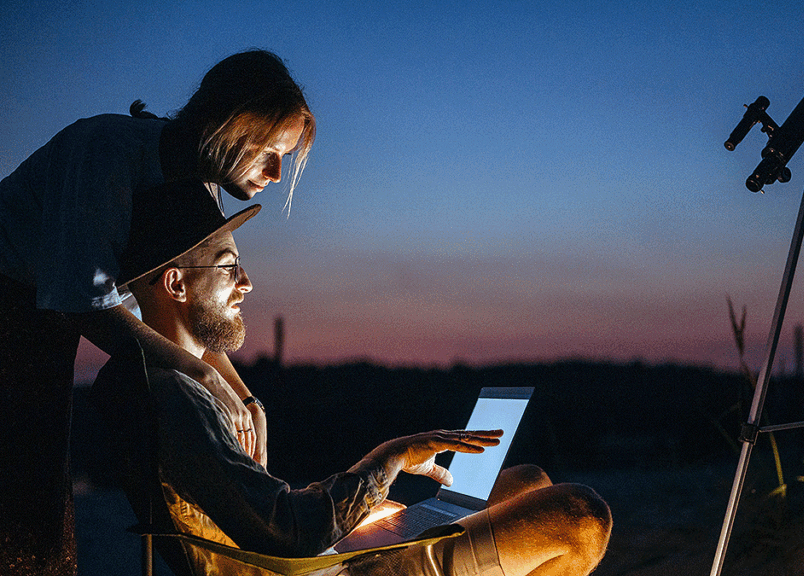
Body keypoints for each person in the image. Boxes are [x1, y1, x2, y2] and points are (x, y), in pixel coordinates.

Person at [91, 179, 612, 576]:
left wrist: (357, 517)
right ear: (176, 284)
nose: (246, 283)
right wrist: (388, 460)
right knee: (579, 513)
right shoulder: (177, 397)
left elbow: (256, 511)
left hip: (317, 555)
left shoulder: (179, 380)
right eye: (229, 268)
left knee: (531, 480)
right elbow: (287, 533)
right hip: (313, 569)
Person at [0, 49, 314, 575]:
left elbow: (183, 311)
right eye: (267, 152)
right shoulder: (107, 152)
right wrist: (199, 374)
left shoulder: (201, 185)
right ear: (227, 125)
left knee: (42, 496)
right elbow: (88, 301)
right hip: (10, 308)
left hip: (45, 320)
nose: (277, 174)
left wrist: (243, 394)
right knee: (21, 508)